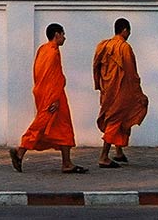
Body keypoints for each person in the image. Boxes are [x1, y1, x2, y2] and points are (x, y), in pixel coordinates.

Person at [9, 23, 86, 174]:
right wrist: (55, 99)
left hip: (43, 93)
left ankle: (67, 163)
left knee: (61, 128)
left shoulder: (42, 49)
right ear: (57, 35)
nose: (64, 38)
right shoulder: (52, 53)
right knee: (42, 125)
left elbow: (38, 73)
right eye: (63, 34)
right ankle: (20, 151)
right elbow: (54, 78)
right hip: (53, 97)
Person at [93, 17, 149, 168]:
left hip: (108, 89)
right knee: (115, 120)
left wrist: (99, 84)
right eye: (129, 31)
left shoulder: (103, 46)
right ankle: (103, 156)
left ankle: (118, 152)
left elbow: (96, 67)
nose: (129, 34)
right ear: (125, 30)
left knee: (122, 118)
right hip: (121, 90)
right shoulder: (124, 48)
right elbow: (131, 73)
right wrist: (139, 94)